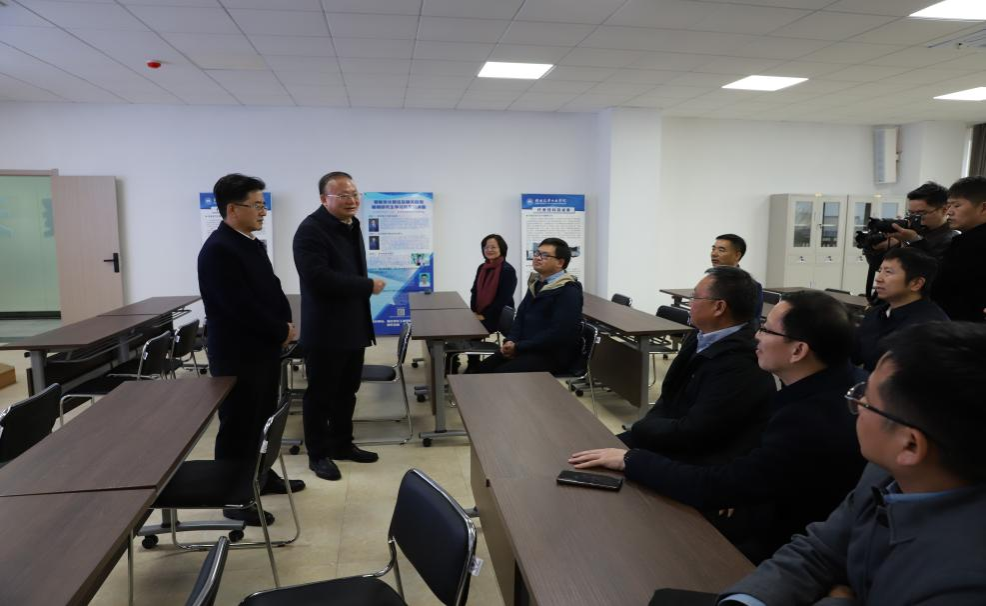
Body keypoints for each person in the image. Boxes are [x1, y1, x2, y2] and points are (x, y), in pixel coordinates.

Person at [571, 291, 865, 563]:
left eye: (766, 330)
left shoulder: (811, 420)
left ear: (798, 350)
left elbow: (717, 487)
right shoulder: (832, 385)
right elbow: (753, 467)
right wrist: (742, 485)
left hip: (794, 548)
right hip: (775, 511)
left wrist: (631, 460)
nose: (756, 336)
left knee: (651, 544)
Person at [718, 322, 986, 605]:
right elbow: (819, 551)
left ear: (910, 445)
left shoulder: (963, 583)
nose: (856, 404)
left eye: (867, 401)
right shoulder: (884, 474)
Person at [198, 173, 304, 526]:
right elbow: (237, 307)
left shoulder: (248, 242)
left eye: (263, 205)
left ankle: (260, 475)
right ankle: (233, 495)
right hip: (239, 353)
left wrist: (284, 325)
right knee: (239, 424)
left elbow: (270, 288)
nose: (263, 211)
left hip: (263, 348)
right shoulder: (219, 249)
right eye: (257, 205)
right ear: (233, 209)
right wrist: (279, 329)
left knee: (262, 417)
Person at [621, 266, 775, 463]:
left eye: (695, 297)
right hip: (666, 436)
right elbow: (669, 395)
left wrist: (642, 429)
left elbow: (696, 434)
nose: (690, 303)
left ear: (719, 307)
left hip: (694, 458)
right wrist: (646, 427)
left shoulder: (741, 366)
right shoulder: (698, 336)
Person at [293, 171, 385, 482]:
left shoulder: (351, 225)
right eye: (343, 195)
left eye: (355, 194)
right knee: (321, 395)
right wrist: (366, 285)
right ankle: (318, 454)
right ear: (324, 199)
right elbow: (318, 278)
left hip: (353, 326)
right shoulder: (310, 230)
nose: (352, 200)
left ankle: (343, 444)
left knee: (347, 391)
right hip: (326, 330)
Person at [471, 237, 582, 374]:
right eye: (537, 253)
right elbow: (520, 316)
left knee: (499, 376)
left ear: (560, 262)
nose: (537, 258)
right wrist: (511, 341)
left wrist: (519, 347)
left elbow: (558, 333)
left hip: (550, 354)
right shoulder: (537, 283)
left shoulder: (568, 290)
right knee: (478, 371)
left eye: (545, 255)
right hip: (526, 347)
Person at [852, 247, 948, 371]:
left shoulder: (930, 327)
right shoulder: (876, 313)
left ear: (916, 283)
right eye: (880, 271)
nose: (878, 278)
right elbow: (853, 355)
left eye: (888, 272)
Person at [931, 176, 986, 322]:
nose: (949, 212)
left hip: (964, 327)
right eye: (948, 206)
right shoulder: (966, 240)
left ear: (983, 208)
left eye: (957, 205)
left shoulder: (973, 244)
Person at [464, 234, 518, 372]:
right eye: (486, 247)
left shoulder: (507, 270)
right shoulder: (482, 267)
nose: (489, 250)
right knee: (458, 326)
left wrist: (484, 315)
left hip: (498, 316)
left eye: (493, 247)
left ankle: (473, 365)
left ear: (502, 249)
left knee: (469, 329)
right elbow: (474, 291)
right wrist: (474, 311)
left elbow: (503, 299)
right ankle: (451, 362)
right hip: (480, 313)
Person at [889, 181, 957, 258]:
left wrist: (914, 240)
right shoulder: (914, 231)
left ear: (944, 210)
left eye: (921, 213)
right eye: (911, 213)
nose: (915, 218)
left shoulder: (952, 240)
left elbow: (933, 263)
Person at [711, 234, 763, 322]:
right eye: (713, 249)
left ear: (737, 255)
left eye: (721, 250)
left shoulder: (750, 286)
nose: (714, 254)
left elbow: (751, 322)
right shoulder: (710, 280)